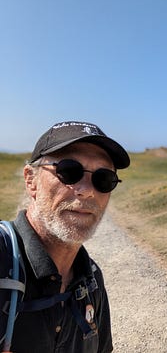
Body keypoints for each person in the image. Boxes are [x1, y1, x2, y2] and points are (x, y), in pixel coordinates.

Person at [0, 121, 130, 352]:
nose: (87, 190)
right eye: (69, 171)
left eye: (103, 179)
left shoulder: (92, 280)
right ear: (31, 180)